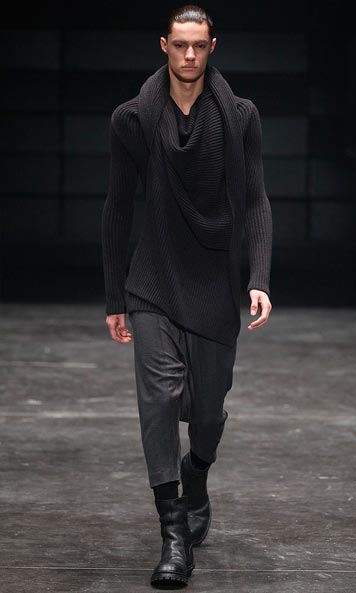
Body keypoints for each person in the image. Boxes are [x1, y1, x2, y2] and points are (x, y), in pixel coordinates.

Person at [101, 5, 273, 588]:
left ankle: (196, 473)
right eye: (180, 45)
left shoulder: (240, 117)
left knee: (207, 414)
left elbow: (256, 201)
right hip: (152, 279)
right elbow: (117, 207)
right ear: (164, 46)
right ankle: (172, 535)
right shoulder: (133, 120)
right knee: (156, 402)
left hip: (215, 282)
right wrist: (115, 296)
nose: (190, 55)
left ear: (212, 47)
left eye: (199, 45)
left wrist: (259, 276)